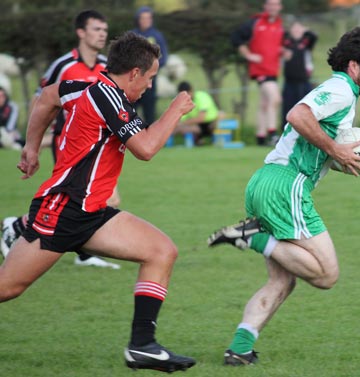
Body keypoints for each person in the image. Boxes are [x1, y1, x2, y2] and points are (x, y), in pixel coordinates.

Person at [0, 31, 196, 373]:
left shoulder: (84, 85)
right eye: (149, 78)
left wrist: (31, 147)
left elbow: (47, 97)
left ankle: (143, 347)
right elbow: (146, 149)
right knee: (8, 287)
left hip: (91, 210)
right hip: (62, 208)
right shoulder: (110, 99)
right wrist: (175, 110)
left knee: (161, 251)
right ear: (134, 73)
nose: (150, 86)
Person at [208, 27, 360, 366]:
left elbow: (308, 140)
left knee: (282, 279)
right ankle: (255, 237)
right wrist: (336, 148)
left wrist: (345, 158)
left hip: (265, 181)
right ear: (354, 65)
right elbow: (297, 116)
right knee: (326, 275)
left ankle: (240, 346)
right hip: (286, 186)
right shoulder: (340, 90)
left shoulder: (335, 91)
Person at [1, 10, 121, 268]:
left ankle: (20, 227)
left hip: (99, 146)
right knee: (92, 199)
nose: (102, 34)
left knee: (95, 200)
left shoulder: (106, 66)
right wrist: (34, 144)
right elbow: (42, 99)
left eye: (104, 30)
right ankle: (24, 229)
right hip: (69, 143)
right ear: (81, 32)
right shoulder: (63, 65)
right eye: (96, 29)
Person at [231, 0, 284, 146]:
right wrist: (248, 55)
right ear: (265, 7)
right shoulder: (255, 22)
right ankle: (272, 134)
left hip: (273, 69)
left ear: (280, 7)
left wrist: (282, 52)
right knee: (275, 99)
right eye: (270, 4)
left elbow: (275, 46)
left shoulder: (279, 25)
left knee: (265, 104)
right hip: (260, 70)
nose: (273, 7)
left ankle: (260, 137)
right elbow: (236, 37)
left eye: (276, 4)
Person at [132, 6, 169, 125]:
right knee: (130, 112)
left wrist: (150, 70)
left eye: (148, 18)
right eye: (143, 18)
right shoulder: (132, 35)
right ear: (138, 19)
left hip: (150, 83)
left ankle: (150, 140)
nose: (146, 21)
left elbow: (163, 58)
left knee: (150, 113)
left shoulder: (157, 36)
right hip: (133, 81)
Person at [281, 20, 318, 131]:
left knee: (304, 109)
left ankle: (306, 132)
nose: (296, 31)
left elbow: (314, 36)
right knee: (287, 109)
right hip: (289, 82)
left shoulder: (306, 43)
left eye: (299, 29)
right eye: (294, 28)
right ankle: (285, 132)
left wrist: (305, 30)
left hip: (304, 81)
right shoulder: (286, 43)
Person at [173, 81, 219, 145]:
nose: (185, 97)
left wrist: (183, 123)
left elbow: (201, 118)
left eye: (186, 94)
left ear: (191, 91)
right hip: (197, 125)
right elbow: (182, 119)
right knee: (178, 128)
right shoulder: (184, 102)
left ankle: (202, 140)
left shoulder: (202, 97)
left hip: (209, 123)